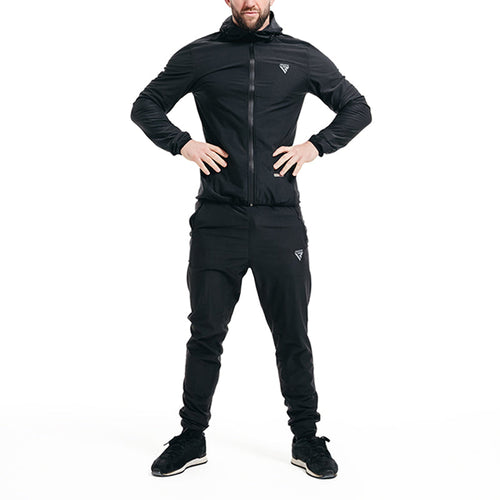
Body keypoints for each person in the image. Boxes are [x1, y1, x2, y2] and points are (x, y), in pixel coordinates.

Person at [130, 0, 372, 479]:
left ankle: (306, 437)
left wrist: (315, 146)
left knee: (292, 333)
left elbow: (357, 108)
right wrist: (183, 144)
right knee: (206, 332)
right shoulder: (200, 55)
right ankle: (191, 436)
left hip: (280, 222)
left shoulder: (301, 56)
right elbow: (145, 106)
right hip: (216, 219)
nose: (249, 2)